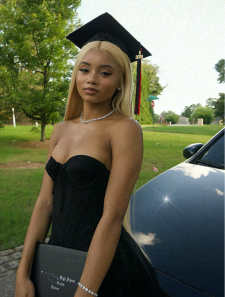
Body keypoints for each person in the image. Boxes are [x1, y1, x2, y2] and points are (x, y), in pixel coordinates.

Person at [15, 13, 164, 297]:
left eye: (105, 73)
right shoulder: (61, 129)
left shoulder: (124, 130)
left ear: (120, 81)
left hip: (102, 270)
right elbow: (44, 203)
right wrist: (23, 273)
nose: (91, 79)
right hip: (58, 260)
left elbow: (111, 217)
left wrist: (85, 291)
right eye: (84, 70)